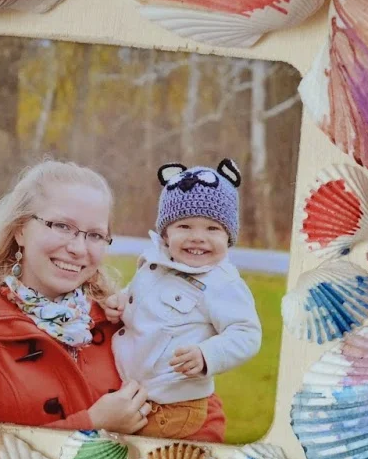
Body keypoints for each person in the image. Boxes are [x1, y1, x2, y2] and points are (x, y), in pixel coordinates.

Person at [0, 161, 151, 433]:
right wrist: (91, 427)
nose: (78, 248)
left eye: (95, 235)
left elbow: (199, 413)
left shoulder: (123, 320)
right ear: (20, 229)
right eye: (62, 226)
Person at [105, 160, 262, 442]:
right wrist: (120, 302)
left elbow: (246, 333)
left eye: (213, 229)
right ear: (166, 233)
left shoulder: (221, 283)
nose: (198, 238)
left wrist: (207, 355)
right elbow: (140, 296)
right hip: (131, 388)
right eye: (185, 226)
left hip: (172, 405)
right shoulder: (156, 262)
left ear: (229, 236)